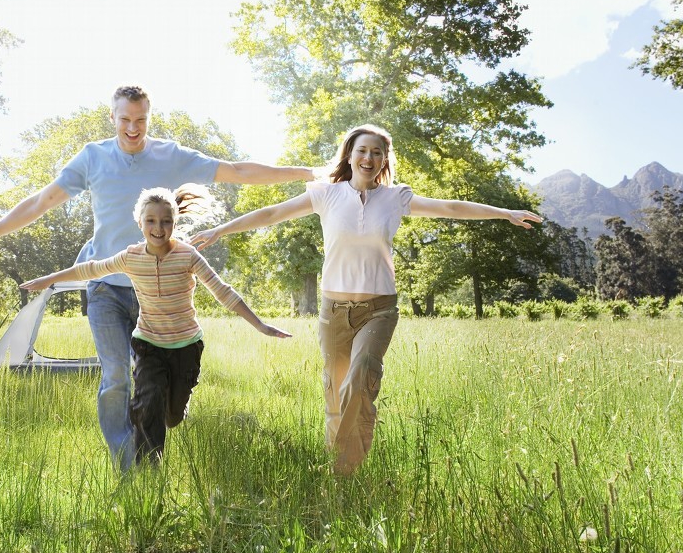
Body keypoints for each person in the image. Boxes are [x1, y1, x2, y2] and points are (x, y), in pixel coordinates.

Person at [0, 86, 313, 471]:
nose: (133, 128)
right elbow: (40, 202)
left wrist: (310, 173)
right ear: (113, 118)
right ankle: (132, 466)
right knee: (117, 375)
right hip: (105, 289)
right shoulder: (93, 157)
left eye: (140, 120)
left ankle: (148, 446)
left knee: (151, 383)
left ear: (148, 118)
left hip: (151, 292)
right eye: (125, 120)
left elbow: (238, 171)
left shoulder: (171, 155)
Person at [192, 124, 543, 475]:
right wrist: (219, 231)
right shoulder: (325, 194)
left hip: (378, 309)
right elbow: (271, 213)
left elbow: (451, 207)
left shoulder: (396, 198)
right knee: (336, 393)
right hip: (334, 311)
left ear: (384, 160)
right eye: (363, 150)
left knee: (360, 381)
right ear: (349, 154)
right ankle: (344, 470)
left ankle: (340, 471)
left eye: (377, 152)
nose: (369, 157)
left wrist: (504, 212)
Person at [21, 185, 290, 464]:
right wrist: (49, 279)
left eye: (165, 221)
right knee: (149, 402)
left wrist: (260, 325)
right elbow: (89, 268)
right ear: (140, 223)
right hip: (148, 344)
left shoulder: (188, 256)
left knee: (171, 417)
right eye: (151, 220)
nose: (158, 228)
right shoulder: (131, 257)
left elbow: (223, 291)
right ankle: (149, 470)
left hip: (186, 346)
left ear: (174, 223)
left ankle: (164, 410)